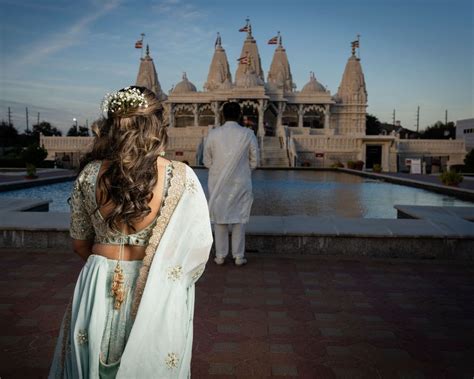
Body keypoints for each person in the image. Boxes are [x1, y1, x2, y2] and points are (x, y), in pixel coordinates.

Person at [49, 86, 213, 378]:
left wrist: (109, 262)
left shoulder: (89, 174)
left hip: (97, 281)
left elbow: (79, 244)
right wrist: (166, 275)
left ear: (113, 124)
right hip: (154, 287)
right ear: (157, 124)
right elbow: (196, 252)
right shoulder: (180, 176)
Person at [203, 102, 259, 266]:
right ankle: (238, 256)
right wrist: (240, 170)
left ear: (222, 115)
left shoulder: (213, 134)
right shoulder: (248, 134)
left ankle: (220, 256)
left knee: (220, 219)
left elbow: (206, 161)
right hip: (241, 182)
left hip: (218, 183)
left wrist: (220, 170)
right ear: (240, 115)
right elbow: (255, 162)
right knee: (239, 219)